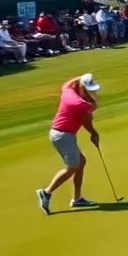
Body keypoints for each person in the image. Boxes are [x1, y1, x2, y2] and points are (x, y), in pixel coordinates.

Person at [36, 73, 102, 213]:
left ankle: (77, 199)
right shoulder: (80, 104)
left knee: (81, 162)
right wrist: (94, 134)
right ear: (82, 89)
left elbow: (68, 83)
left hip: (62, 134)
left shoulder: (68, 90)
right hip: (62, 136)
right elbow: (87, 123)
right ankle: (46, 192)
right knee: (72, 167)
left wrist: (80, 78)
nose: (93, 92)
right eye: (90, 90)